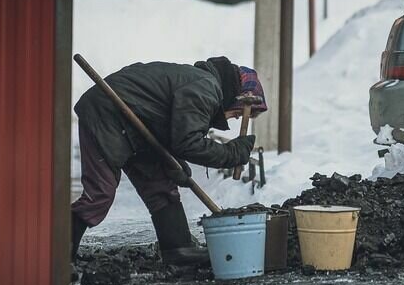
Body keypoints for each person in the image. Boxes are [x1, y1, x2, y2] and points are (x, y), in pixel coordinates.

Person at [71, 56, 267, 266]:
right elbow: (188, 142)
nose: (235, 118)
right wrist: (232, 154)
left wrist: (174, 161)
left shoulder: (204, 86)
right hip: (107, 113)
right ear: (236, 97)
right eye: (238, 113)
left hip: (135, 123)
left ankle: (178, 251)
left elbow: (172, 129)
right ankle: (55, 253)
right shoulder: (206, 89)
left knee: (161, 187)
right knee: (99, 194)